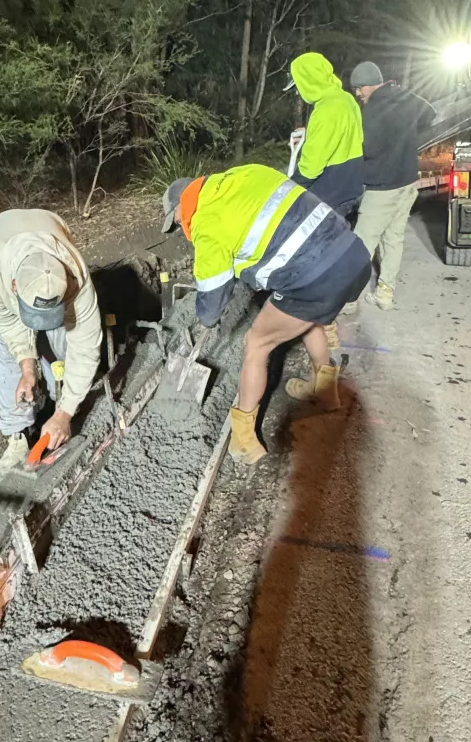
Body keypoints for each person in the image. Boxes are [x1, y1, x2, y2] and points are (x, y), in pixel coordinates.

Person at [161, 167, 371, 465]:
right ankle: (325, 392)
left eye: (177, 222)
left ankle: (244, 441)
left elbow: (210, 310)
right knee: (306, 317)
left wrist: (205, 315)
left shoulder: (207, 223)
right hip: (351, 254)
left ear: (181, 209)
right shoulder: (244, 175)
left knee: (256, 343)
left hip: (316, 276)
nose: (181, 229)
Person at [0, 209, 102, 470]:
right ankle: (17, 434)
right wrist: (27, 368)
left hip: (49, 225)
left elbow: (85, 347)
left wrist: (64, 412)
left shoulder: (75, 277)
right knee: (8, 351)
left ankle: (58, 402)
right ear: (14, 287)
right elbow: (9, 325)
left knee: (62, 341)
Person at [346, 61, 435, 310]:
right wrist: (407, 138)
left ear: (369, 84)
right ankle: (385, 294)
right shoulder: (405, 96)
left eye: (359, 88)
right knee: (393, 238)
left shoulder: (374, 109)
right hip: (407, 183)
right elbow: (430, 115)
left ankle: (348, 300)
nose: (358, 94)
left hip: (382, 188)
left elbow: (369, 149)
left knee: (362, 243)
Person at [287, 51, 364, 218]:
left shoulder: (325, 110)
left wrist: (289, 188)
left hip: (331, 195)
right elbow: (347, 134)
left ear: (309, 81)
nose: (298, 92)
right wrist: (310, 132)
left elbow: (311, 169)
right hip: (352, 186)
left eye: (298, 86)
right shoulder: (346, 99)